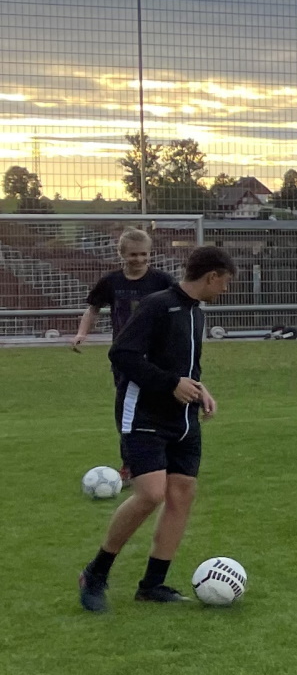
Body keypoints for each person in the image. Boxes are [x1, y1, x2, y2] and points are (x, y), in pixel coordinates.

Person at [77, 246, 236, 612]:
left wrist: (199, 388)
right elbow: (122, 355)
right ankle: (95, 573)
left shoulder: (196, 314)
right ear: (211, 276)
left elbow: (185, 364)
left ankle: (152, 585)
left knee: (181, 496)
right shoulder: (157, 304)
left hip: (183, 421)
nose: (224, 290)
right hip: (144, 416)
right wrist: (170, 384)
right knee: (150, 494)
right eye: (224, 283)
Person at [72, 228, 173, 352]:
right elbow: (93, 309)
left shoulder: (163, 280)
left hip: (156, 348)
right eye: (133, 255)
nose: (139, 259)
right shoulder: (111, 281)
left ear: (150, 253)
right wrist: (81, 334)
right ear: (121, 253)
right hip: (123, 347)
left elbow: (181, 307)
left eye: (143, 254)